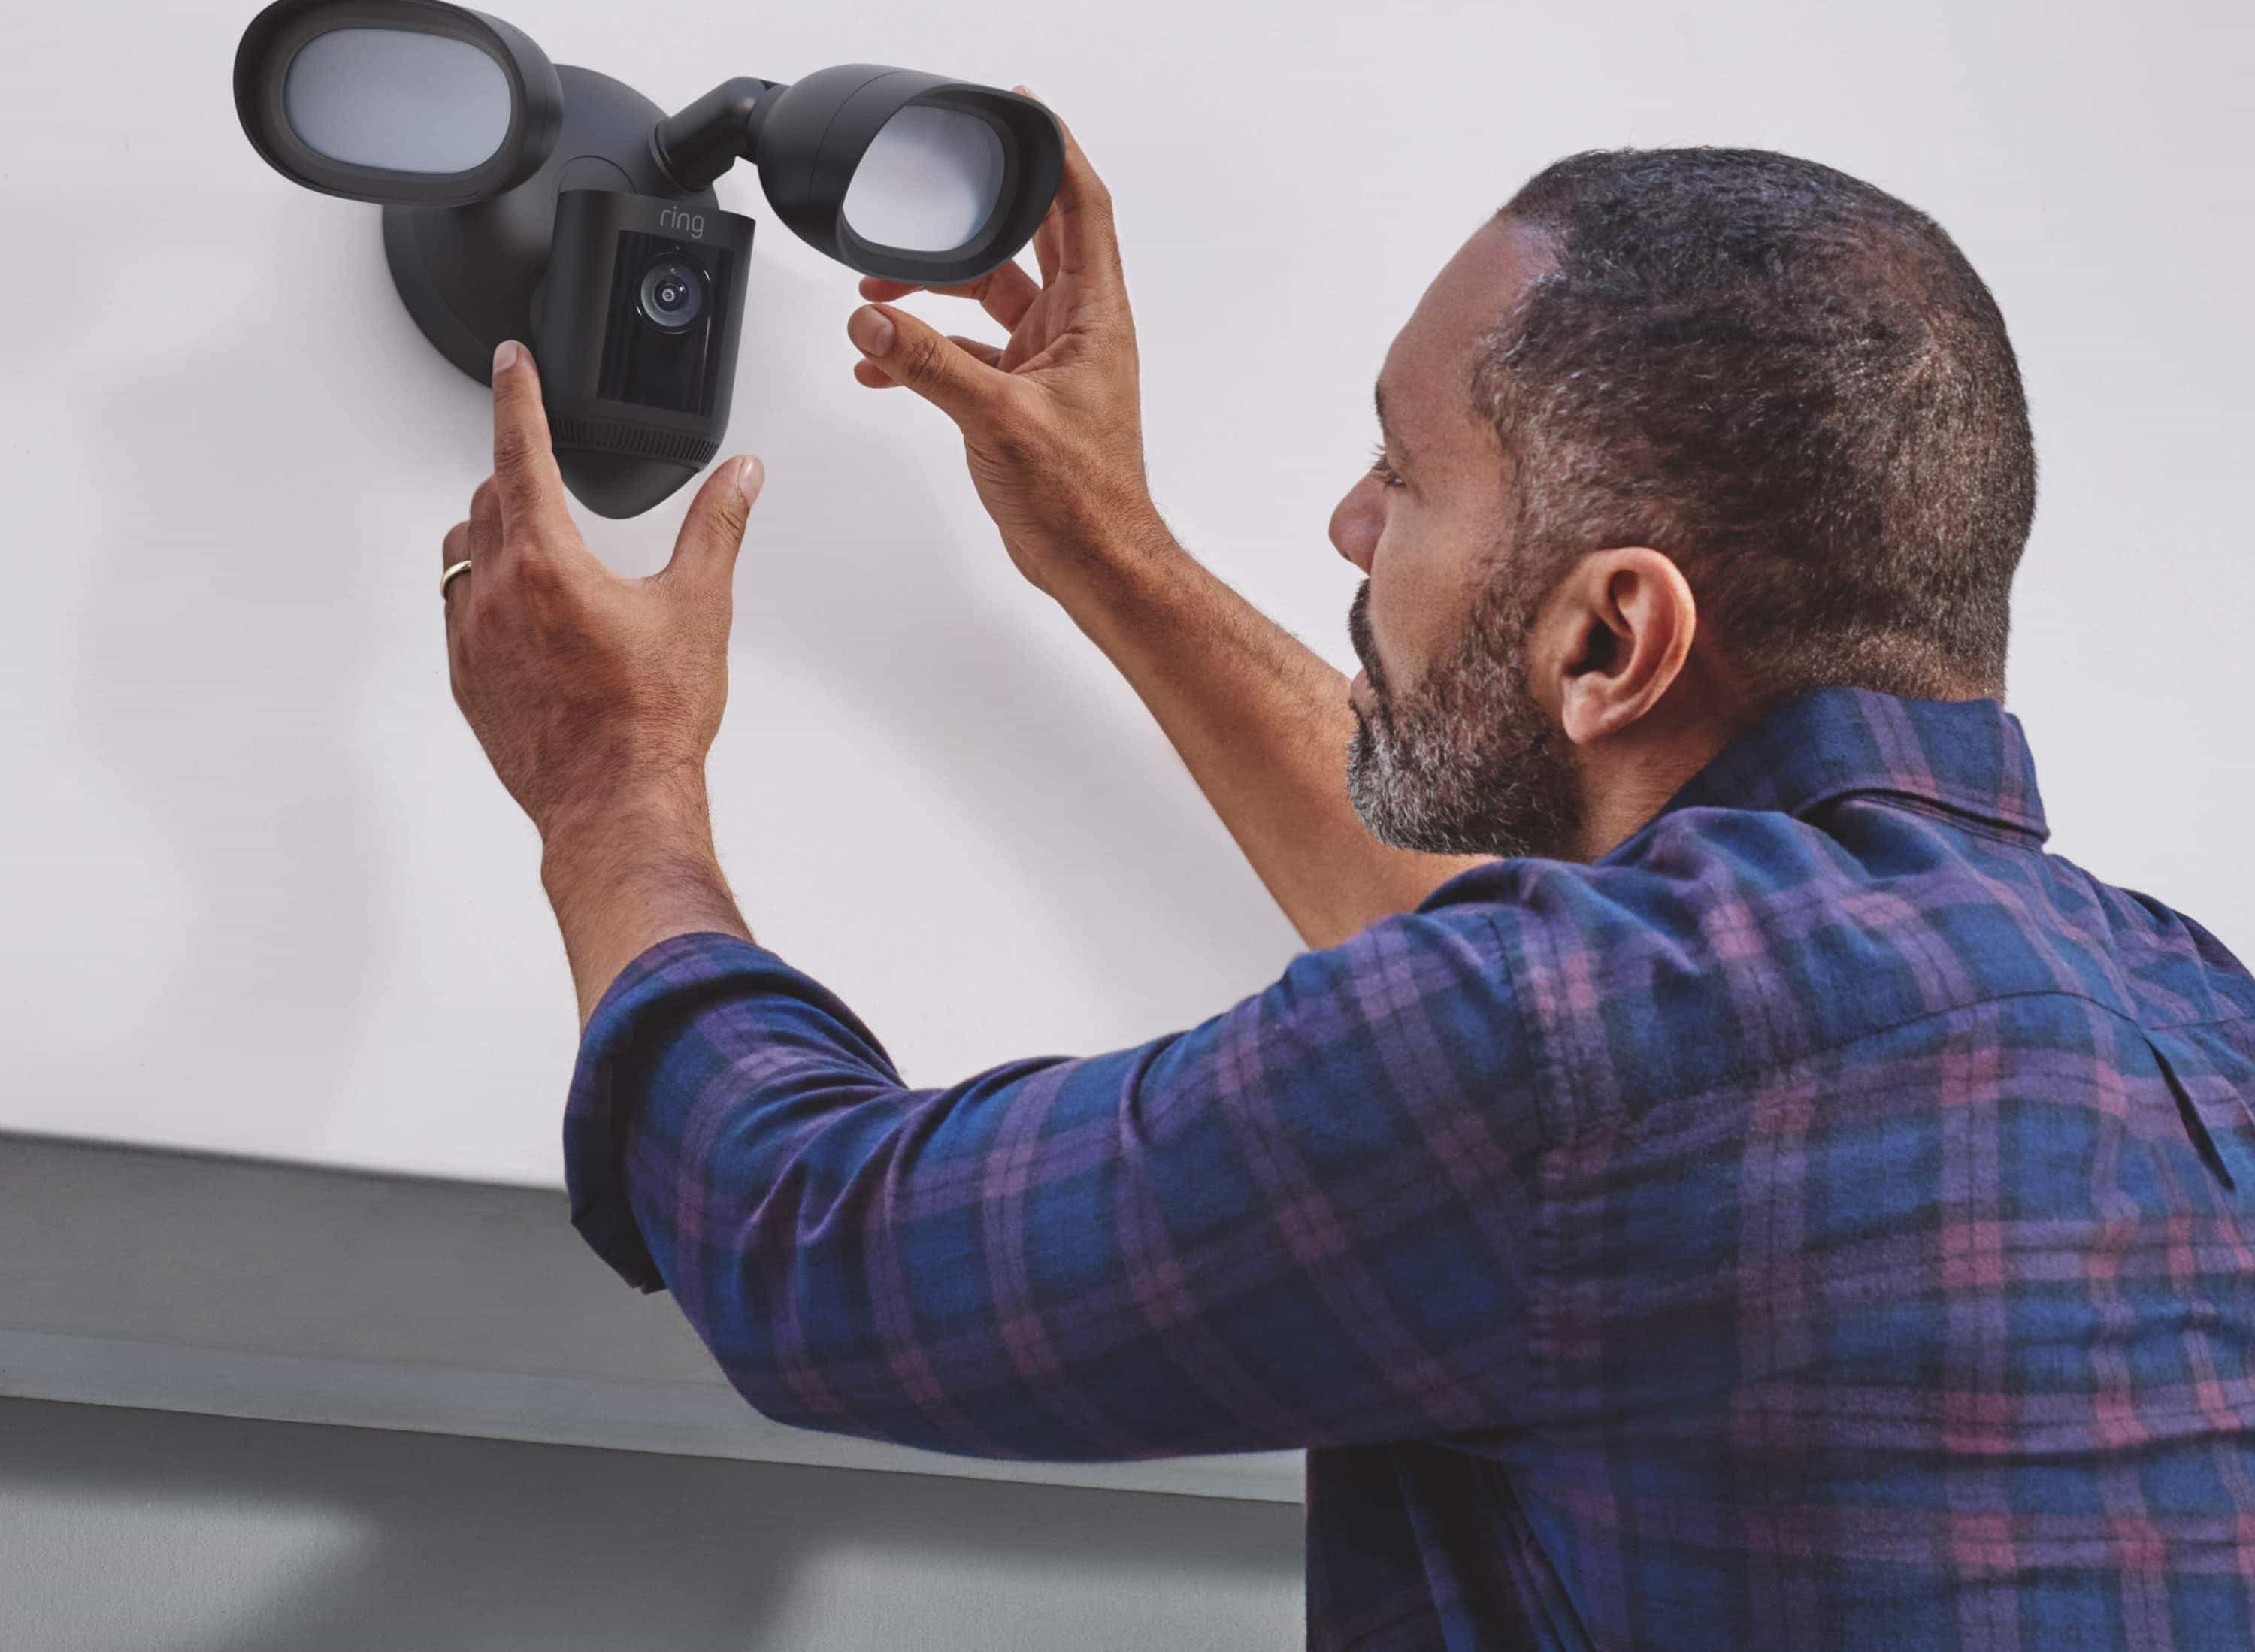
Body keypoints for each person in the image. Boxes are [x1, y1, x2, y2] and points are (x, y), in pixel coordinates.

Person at [438, 112, 2255, 1651]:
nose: (1348, 523)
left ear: (1613, 635)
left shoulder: (1577, 1054)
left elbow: (814, 1247)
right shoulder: (2193, 1019)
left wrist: (612, 784)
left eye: (1404, 466)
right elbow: (1581, 1044)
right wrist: (1111, 552)